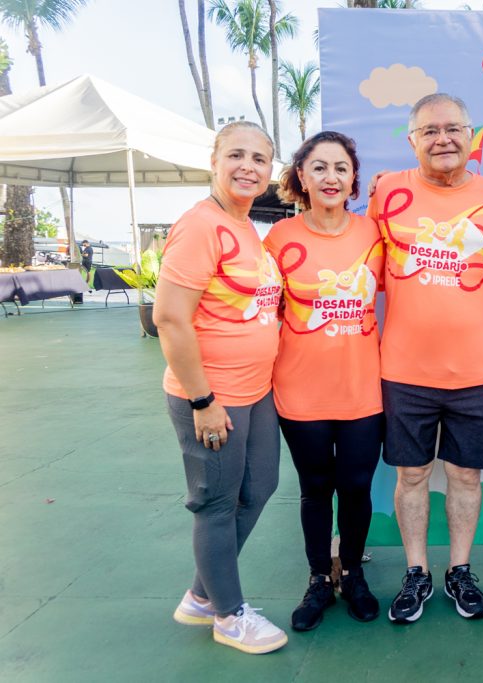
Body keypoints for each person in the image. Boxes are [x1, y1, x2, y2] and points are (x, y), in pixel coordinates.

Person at [366, 93, 483, 624]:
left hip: (479, 370)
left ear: (471, 136)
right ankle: (417, 573)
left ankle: (459, 570)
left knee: (466, 478)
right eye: (429, 130)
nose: (443, 139)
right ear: (412, 141)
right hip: (404, 370)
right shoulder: (386, 192)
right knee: (411, 477)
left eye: (453, 128)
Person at [154, 121, 287, 655]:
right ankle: (229, 616)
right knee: (216, 502)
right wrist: (203, 400)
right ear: (214, 161)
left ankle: (201, 595)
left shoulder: (247, 227)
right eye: (236, 155)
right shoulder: (201, 225)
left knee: (260, 488)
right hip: (213, 397)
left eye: (259, 158)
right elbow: (169, 318)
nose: (248, 167)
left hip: (255, 391)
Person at [264, 132, 385, 631]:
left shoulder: (375, 234)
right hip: (300, 390)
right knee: (316, 488)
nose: (331, 177)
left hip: (363, 388)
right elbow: (263, 312)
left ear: (353, 177)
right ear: (301, 178)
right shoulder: (278, 241)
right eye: (319, 168)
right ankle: (319, 578)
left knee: (356, 487)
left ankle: (352, 573)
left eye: (340, 168)